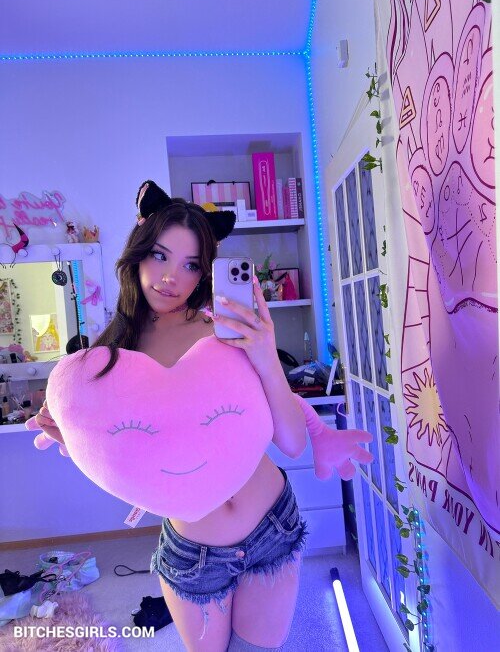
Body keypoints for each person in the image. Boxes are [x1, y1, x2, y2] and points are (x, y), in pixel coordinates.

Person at [34, 180, 366, 652]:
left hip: (272, 523)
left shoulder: (225, 330)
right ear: (138, 253)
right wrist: (68, 435)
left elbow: (292, 443)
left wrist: (266, 353)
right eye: (160, 255)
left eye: (191, 264)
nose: (172, 277)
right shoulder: (111, 359)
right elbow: (124, 455)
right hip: (194, 554)